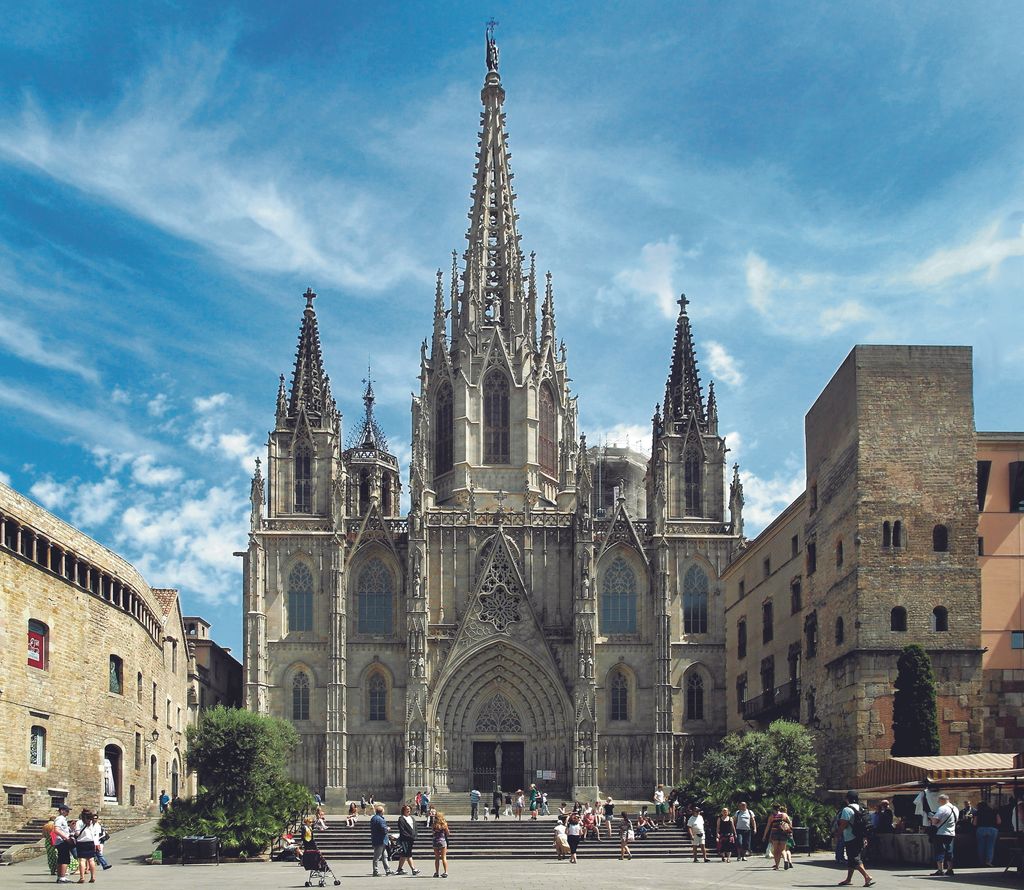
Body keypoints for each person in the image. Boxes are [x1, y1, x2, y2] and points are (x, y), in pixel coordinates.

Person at [836, 790, 876, 887]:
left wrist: (838, 834)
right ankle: (848, 879)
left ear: (847, 799)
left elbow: (843, 824)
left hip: (850, 837)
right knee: (851, 859)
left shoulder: (847, 810)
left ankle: (867, 877)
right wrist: (865, 837)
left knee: (854, 858)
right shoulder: (861, 808)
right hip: (860, 836)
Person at [930, 792, 959, 877]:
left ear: (942, 800)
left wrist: (931, 818)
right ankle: (950, 869)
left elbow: (935, 821)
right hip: (951, 833)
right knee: (949, 851)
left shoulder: (942, 808)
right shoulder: (956, 808)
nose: (938, 802)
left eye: (939, 801)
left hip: (941, 833)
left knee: (939, 851)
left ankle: (940, 870)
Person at [74, 808, 100, 884]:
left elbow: (77, 833)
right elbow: (95, 834)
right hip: (91, 842)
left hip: (81, 842)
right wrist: (96, 843)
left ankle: (82, 877)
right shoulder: (91, 822)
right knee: (91, 860)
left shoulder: (79, 822)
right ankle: (93, 876)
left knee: (82, 860)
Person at [763, 803, 791, 872]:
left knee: (776, 851)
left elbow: (768, 826)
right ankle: (785, 860)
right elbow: (790, 823)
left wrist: (764, 835)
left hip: (775, 833)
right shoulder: (784, 815)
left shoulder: (772, 816)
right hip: (783, 833)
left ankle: (777, 866)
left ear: (773, 809)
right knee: (783, 849)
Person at [974, 799, 1001, 867]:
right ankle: (988, 862)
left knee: (981, 846)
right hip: (992, 829)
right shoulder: (994, 811)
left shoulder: (978, 812)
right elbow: (999, 821)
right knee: (990, 846)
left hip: (981, 829)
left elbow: (974, 823)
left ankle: (981, 862)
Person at [396, 804, 420, 876]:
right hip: (405, 839)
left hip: (411, 839)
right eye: (407, 809)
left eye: (409, 809)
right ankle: (413, 869)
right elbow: (402, 830)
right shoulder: (401, 819)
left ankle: (399, 869)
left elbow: (415, 827)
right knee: (408, 853)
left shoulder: (412, 818)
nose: (408, 810)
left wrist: (415, 835)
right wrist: (409, 836)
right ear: (403, 810)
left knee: (404, 854)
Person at [370, 803, 393, 877]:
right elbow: (383, 830)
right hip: (381, 840)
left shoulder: (373, 818)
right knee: (377, 857)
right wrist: (388, 829)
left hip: (377, 839)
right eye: (383, 810)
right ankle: (375, 871)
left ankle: (388, 870)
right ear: (381, 811)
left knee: (384, 856)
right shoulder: (380, 819)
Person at [54, 803, 74, 883]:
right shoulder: (60, 819)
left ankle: (60, 876)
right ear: (62, 811)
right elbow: (56, 830)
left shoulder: (63, 819)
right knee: (65, 859)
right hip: (63, 842)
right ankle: (62, 877)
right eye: (67, 811)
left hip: (61, 841)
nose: (68, 812)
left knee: (61, 859)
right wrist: (66, 838)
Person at [432, 811, 450, 878]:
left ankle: (437, 872)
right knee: (443, 857)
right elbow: (448, 833)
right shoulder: (444, 824)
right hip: (442, 841)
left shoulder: (434, 824)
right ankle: (445, 872)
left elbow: (433, 833)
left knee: (437, 858)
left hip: (435, 841)